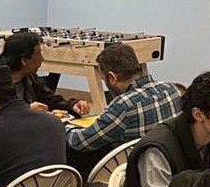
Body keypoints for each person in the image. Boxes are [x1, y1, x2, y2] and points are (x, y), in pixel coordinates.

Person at [64, 41, 180, 174]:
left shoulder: (123, 105)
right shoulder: (172, 89)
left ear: (112, 77)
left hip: (137, 172)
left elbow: (80, 142)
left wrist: (63, 125)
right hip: (173, 166)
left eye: (104, 79)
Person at [0, 31, 91, 116]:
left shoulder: (31, 78)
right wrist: (27, 110)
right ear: (24, 60)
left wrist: (73, 105)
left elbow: (52, 101)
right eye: (38, 54)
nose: (42, 58)